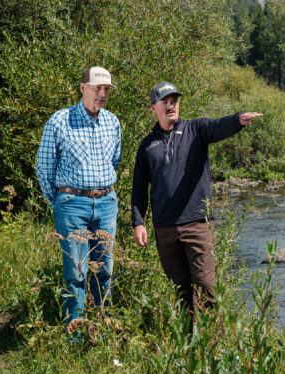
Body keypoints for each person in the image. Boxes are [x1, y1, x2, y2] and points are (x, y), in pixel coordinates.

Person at [130, 81, 262, 320]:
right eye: (165, 102)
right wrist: (138, 222)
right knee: (180, 293)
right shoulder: (147, 145)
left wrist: (238, 119)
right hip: (165, 228)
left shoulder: (196, 130)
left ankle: (213, 351)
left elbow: (218, 126)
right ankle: (189, 348)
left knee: (207, 289)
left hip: (197, 224)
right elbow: (139, 187)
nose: (171, 106)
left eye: (174, 101)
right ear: (154, 108)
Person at [36, 66, 121, 331]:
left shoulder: (113, 122)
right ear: (83, 88)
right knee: (76, 271)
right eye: (97, 88)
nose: (102, 94)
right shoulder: (60, 121)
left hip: (106, 203)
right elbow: (44, 167)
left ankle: (102, 328)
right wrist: (61, 203)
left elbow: (114, 161)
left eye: (106, 89)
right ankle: (75, 332)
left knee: (104, 267)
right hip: (72, 204)